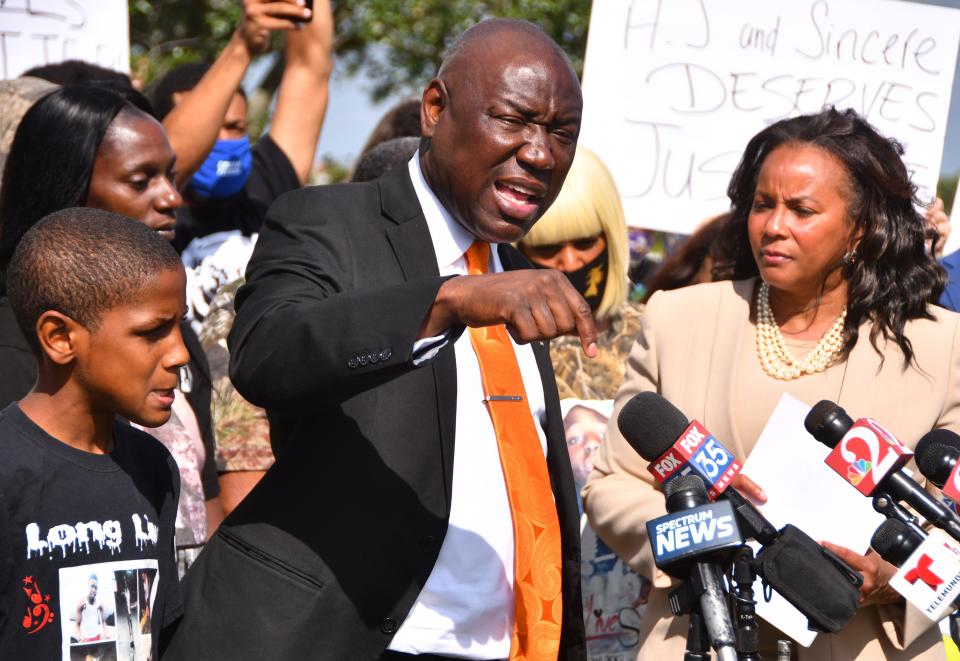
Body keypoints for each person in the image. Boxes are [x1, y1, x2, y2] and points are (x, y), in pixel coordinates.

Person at [164, 18, 591, 661]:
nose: (539, 153)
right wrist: (444, 301)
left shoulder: (520, 274)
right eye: (513, 120)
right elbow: (268, 353)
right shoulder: (329, 220)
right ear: (435, 107)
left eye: (561, 133)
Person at [582, 107, 960, 660]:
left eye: (801, 209)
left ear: (860, 227)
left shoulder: (941, 346)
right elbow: (614, 485)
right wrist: (706, 542)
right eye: (763, 204)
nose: (774, 225)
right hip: (705, 639)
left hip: (866, 643)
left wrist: (895, 576)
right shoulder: (677, 319)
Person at [0, 84, 224, 569]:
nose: (171, 198)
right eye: (141, 179)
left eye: (171, 174)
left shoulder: (175, 337)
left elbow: (209, 508)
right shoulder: (11, 351)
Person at [0, 208, 182, 659]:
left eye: (179, 325)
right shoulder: (7, 472)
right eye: (153, 331)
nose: (179, 353)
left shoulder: (153, 467)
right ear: (60, 337)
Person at [150, 0, 333, 253]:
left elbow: (309, 68)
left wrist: (300, 7)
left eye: (236, 127)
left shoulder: (267, 182)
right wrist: (242, 46)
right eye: (211, 130)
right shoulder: (150, 215)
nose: (224, 140)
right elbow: (166, 159)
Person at [517, 146, 638, 402]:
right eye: (547, 248)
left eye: (585, 243)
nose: (570, 263)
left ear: (611, 238)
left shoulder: (654, 333)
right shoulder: (492, 344)